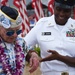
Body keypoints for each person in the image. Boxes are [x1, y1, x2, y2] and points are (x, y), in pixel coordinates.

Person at [24, 0, 75, 75]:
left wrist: (59, 57)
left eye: (66, 11)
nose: (61, 14)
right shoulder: (42, 25)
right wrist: (32, 54)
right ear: (53, 6)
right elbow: (22, 45)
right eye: (58, 9)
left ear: (71, 10)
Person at [0, 6, 39, 75]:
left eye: (18, 31)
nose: (15, 35)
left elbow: (27, 51)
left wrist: (33, 55)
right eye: (10, 32)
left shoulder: (20, 42)